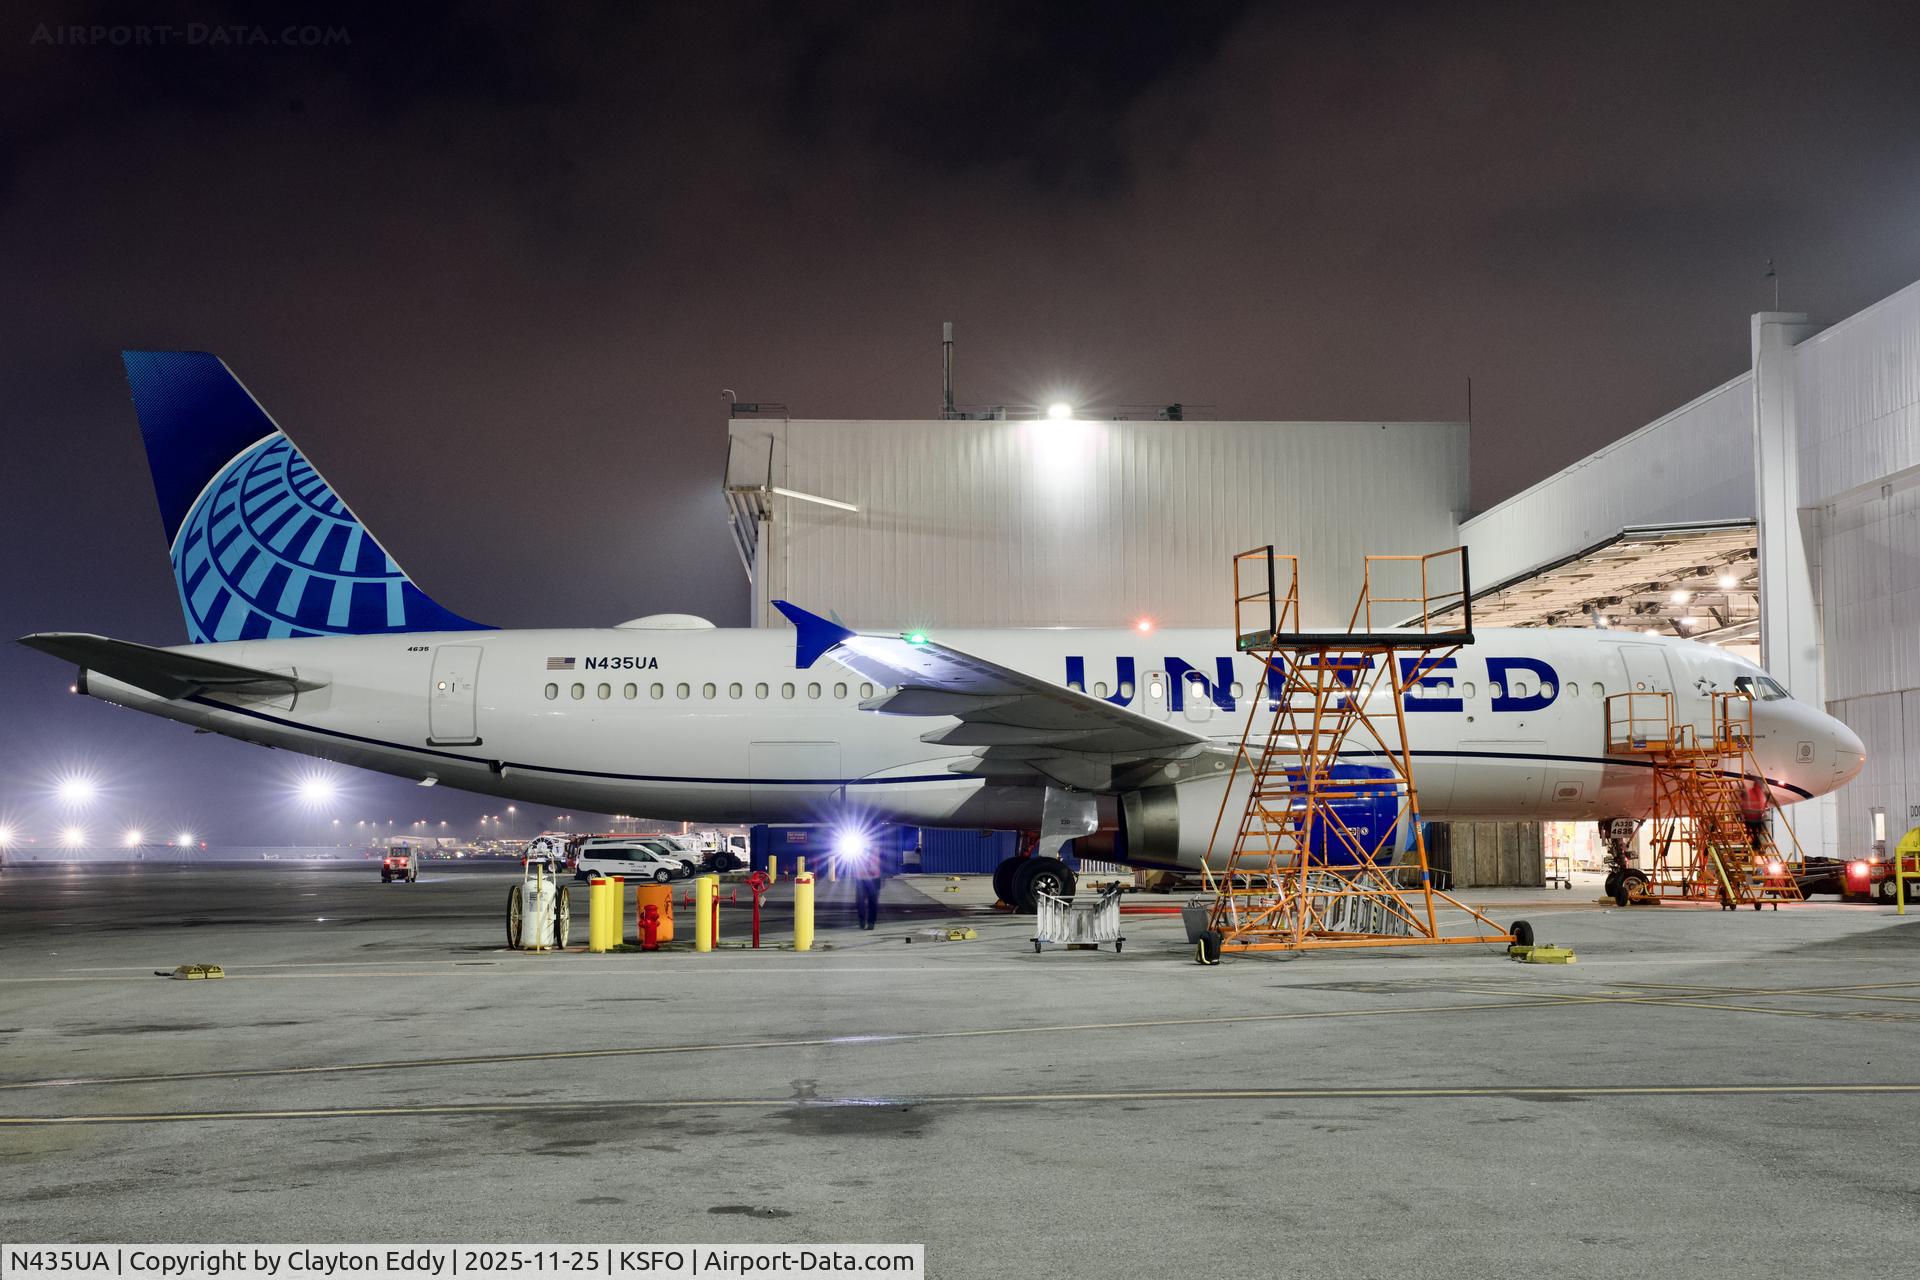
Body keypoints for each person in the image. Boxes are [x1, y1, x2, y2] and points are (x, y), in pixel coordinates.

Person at [854, 850, 888, 930]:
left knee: (873, 902)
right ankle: (862, 920)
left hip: (874, 879)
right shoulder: (858, 848)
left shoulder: (878, 850)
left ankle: (871, 922)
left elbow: (884, 862)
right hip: (861, 879)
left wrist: (883, 876)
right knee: (860, 902)